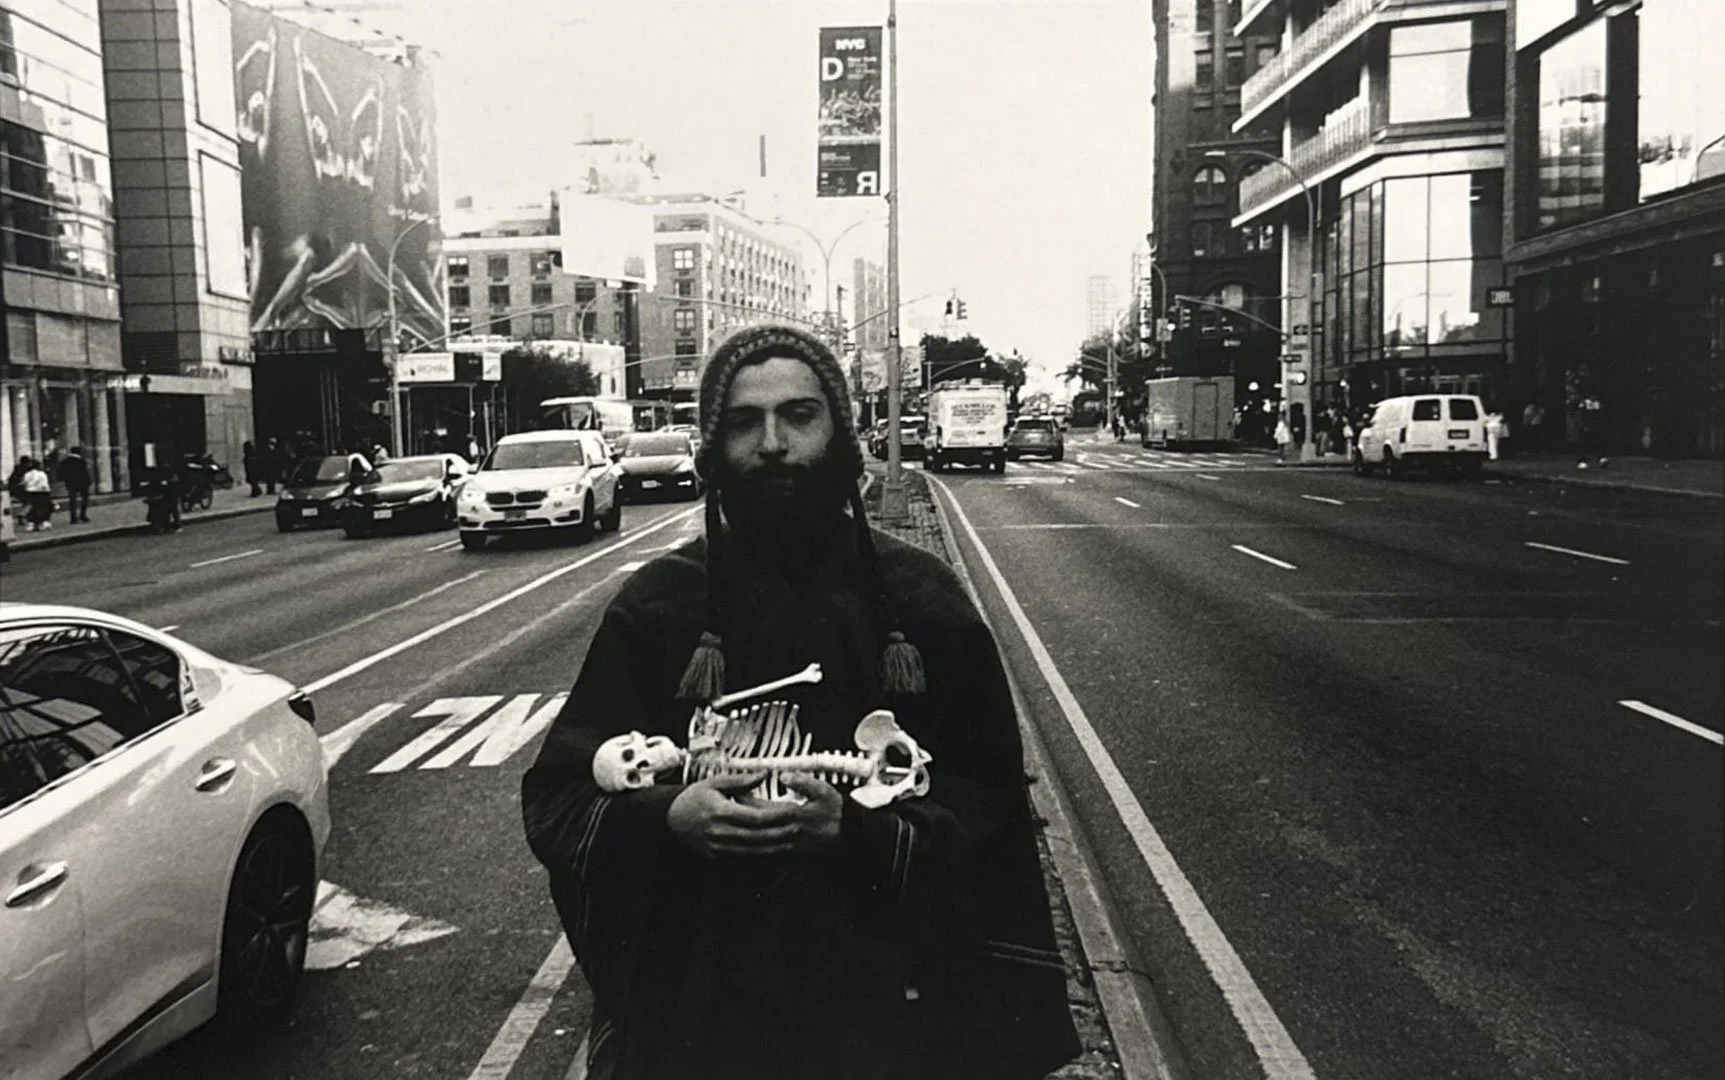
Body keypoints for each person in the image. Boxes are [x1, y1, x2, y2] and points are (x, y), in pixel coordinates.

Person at [521, 324, 1080, 1080]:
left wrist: (856, 833)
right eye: (744, 421)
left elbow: (990, 812)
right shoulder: (656, 608)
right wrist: (667, 817)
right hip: (702, 1026)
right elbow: (559, 798)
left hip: (897, 1026)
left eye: (799, 415)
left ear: (842, 434)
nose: (773, 442)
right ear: (714, 446)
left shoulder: (924, 606)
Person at [21, 458, 53, 532]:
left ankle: (31, 523)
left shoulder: (27, 474)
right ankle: (44, 522)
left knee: (33, 508)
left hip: (31, 492)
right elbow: (45, 484)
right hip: (42, 492)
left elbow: (25, 483)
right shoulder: (42, 474)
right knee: (43, 507)